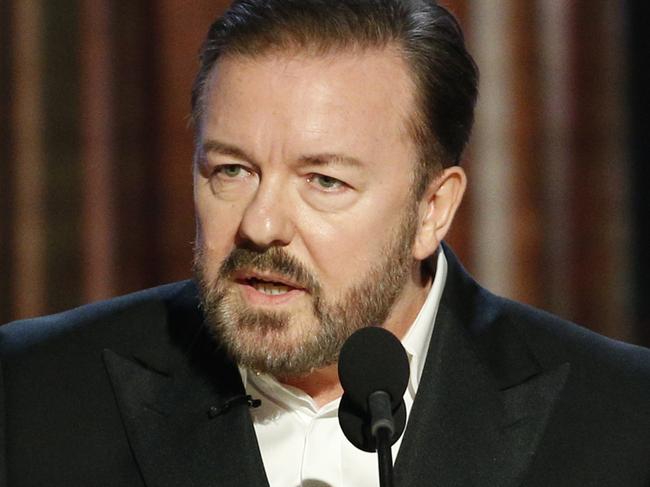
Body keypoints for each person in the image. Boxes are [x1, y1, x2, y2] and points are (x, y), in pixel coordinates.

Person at [2, 1, 650, 486]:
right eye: (231, 170)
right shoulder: (29, 391)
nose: (260, 224)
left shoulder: (623, 419)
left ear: (433, 208)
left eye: (324, 180)